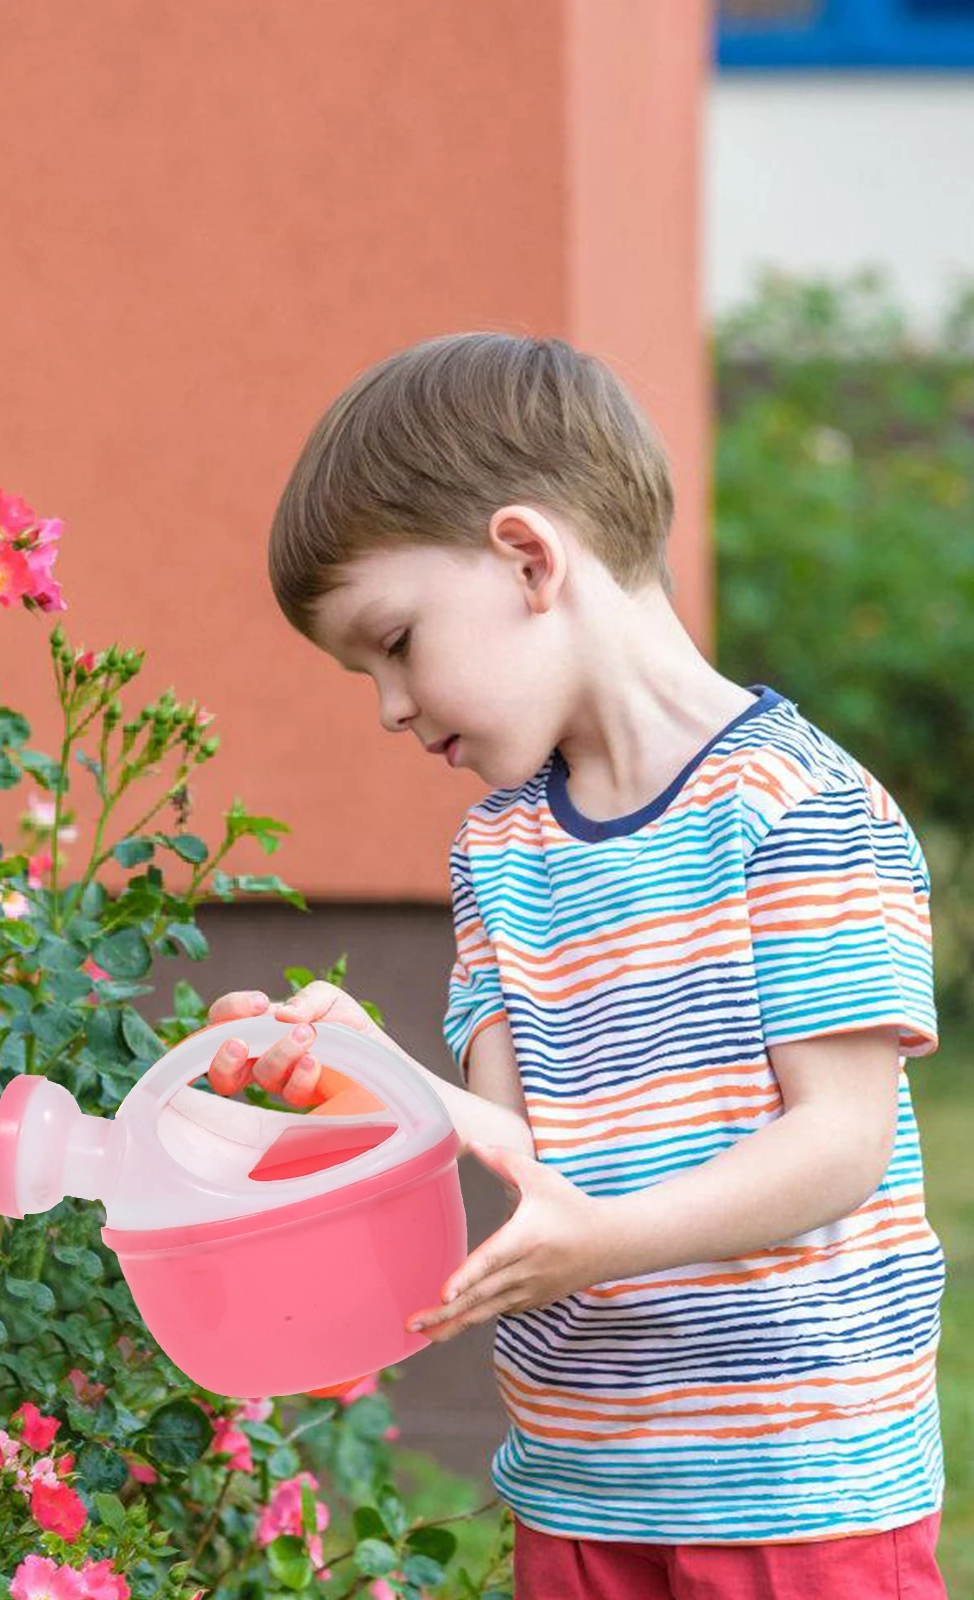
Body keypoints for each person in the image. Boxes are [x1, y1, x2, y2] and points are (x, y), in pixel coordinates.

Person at [200, 332, 947, 1597]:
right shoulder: (503, 848)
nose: (387, 706)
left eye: (393, 640)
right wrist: (350, 1062)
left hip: (796, 1489)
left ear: (527, 557)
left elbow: (840, 1145)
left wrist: (601, 1240)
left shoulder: (793, 808)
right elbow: (514, 1139)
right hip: (582, 1474)